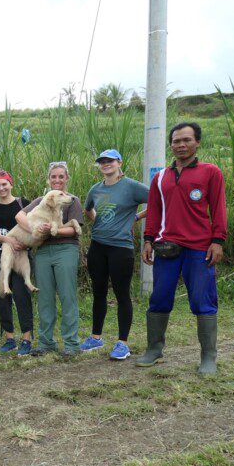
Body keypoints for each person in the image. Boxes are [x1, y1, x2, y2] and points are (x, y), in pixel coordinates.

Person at [139, 122, 227, 375]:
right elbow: (154, 211)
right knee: (159, 299)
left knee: (203, 301)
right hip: (167, 247)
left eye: (186, 140)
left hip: (200, 249)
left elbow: (219, 208)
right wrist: (147, 239)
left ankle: (208, 357)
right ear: (171, 144)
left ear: (197, 142)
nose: (181, 145)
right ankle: (154, 350)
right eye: (176, 141)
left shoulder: (210, 172)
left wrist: (217, 240)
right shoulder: (160, 177)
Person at [82, 149, 149, 360]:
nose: (105, 164)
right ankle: (96, 337)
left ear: (119, 162)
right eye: (102, 162)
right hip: (98, 246)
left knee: (122, 294)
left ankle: (123, 343)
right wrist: (100, 222)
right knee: (99, 292)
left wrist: (136, 218)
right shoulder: (95, 189)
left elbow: (158, 200)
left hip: (121, 248)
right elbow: (88, 209)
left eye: (109, 161)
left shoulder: (132, 187)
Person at [16, 161, 84, 357]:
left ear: (66, 178)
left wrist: (54, 231)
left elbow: (74, 229)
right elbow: (19, 215)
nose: (57, 180)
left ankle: (71, 344)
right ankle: (46, 343)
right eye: (53, 176)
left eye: (61, 176)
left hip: (66, 249)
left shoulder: (72, 200)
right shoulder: (41, 200)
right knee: (45, 298)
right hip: (43, 252)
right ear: (49, 179)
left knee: (67, 295)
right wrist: (35, 230)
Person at [0, 170, 34, 356]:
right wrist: (9, 240)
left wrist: (23, 243)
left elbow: (31, 226)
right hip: (0, 255)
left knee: (22, 295)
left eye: (4, 184)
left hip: (22, 256)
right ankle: (10, 338)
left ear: (11, 184)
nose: (1, 188)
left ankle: (27, 339)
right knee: (3, 296)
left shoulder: (23, 203)